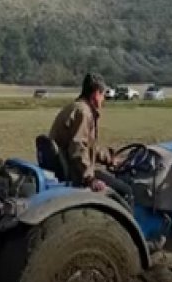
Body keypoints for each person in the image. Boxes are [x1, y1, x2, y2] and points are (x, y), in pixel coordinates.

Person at [49, 73, 133, 202]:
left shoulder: (75, 107)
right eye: (103, 95)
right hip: (76, 173)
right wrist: (90, 179)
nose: (103, 99)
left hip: (69, 166)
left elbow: (90, 146)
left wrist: (110, 159)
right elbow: (78, 147)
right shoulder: (84, 113)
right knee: (126, 191)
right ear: (95, 94)